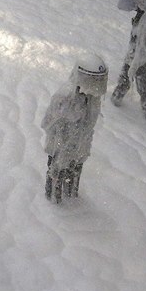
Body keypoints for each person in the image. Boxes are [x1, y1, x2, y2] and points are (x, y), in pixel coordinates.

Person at [41, 53, 108, 203]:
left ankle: (71, 195)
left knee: (74, 172)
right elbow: (48, 121)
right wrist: (60, 142)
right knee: (56, 174)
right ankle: (53, 200)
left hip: (79, 146)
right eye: (93, 81)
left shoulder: (93, 98)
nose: (96, 86)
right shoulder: (65, 97)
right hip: (60, 146)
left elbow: (89, 122)